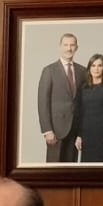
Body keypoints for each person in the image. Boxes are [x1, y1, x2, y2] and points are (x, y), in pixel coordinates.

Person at [34, 32, 85, 164]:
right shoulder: (49, 71)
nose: (69, 48)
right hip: (55, 130)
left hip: (74, 130)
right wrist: (47, 130)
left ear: (77, 47)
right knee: (53, 170)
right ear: (60, 47)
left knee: (71, 171)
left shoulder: (82, 71)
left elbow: (83, 103)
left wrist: (81, 132)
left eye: (72, 45)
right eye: (66, 45)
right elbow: (42, 102)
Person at [76, 53, 103, 163]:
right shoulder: (83, 87)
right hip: (86, 134)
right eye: (93, 65)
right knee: (87, 173)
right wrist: (79, 135)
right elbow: (80, 113)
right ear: (89, 68)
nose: (96, 69)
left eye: (100, 65)